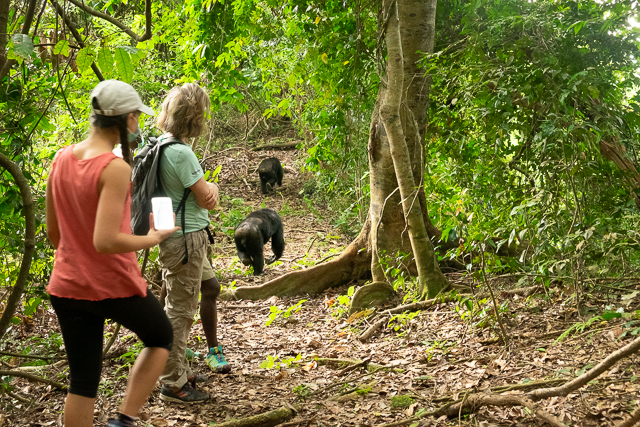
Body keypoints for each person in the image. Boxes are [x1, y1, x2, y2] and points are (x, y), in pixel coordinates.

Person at [46, 80, 178, 427]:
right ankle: (123, 420)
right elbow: (105, 241)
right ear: (128, 118)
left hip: (66, 285)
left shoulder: (61, 158)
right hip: (110, 284)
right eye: (136, 117)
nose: (137, 125)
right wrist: (151, 238)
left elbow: (53, 235)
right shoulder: (114, 167)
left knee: (83, 382)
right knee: (161, 336)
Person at [155, 83, 230, 404]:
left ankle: (179, 368)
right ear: (196, 117)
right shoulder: (182, 153)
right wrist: (210, 184)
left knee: (206, 288)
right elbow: (207, 199)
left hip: (180, 238)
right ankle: (172, 382)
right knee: (181, 311)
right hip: (185, 241)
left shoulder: (162, 145)